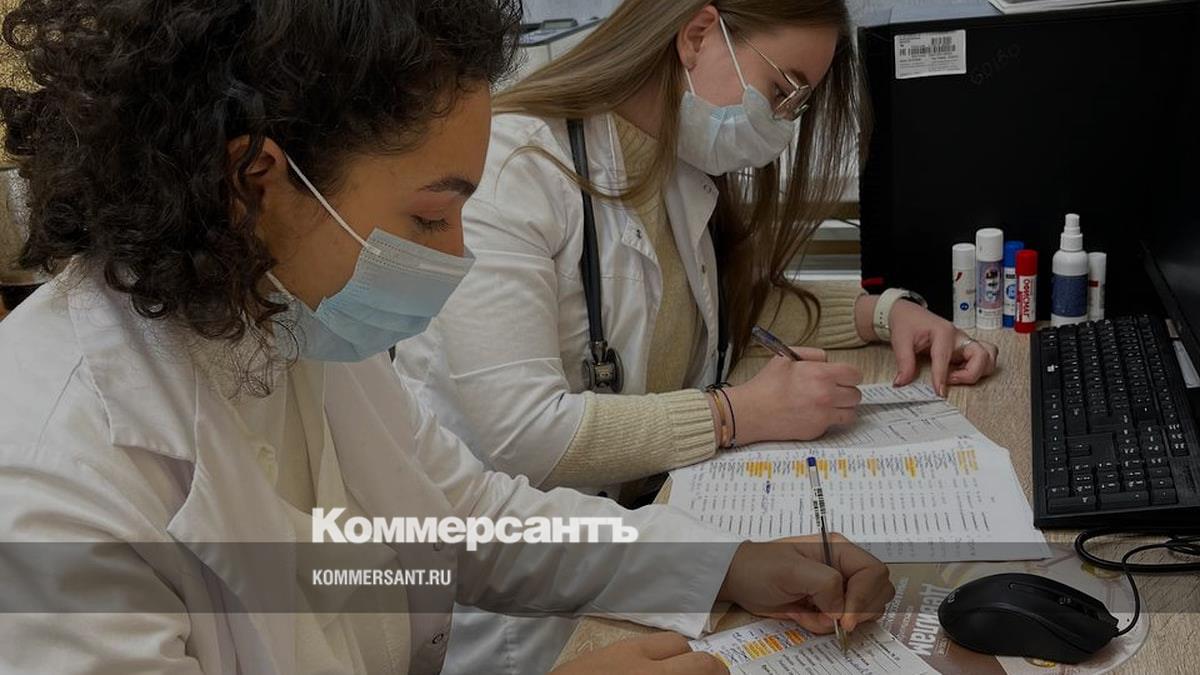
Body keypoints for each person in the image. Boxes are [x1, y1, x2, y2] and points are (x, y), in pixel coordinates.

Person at [0, 1, 895, 673]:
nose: (457, 256)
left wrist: (721, 560)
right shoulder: (56, 476)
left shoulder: (282, 321)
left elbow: (468, 521)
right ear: (253, 182)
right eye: (430, 217)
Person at [392, 1, 998, 672]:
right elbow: (528, 434)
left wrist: (883, 314)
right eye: (782, 89)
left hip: (634, 544)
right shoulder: (513, 169)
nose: (783, 122)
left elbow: (732, 305)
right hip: (524, 612)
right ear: (698, 35)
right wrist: (736, 414)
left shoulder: (675, 165)